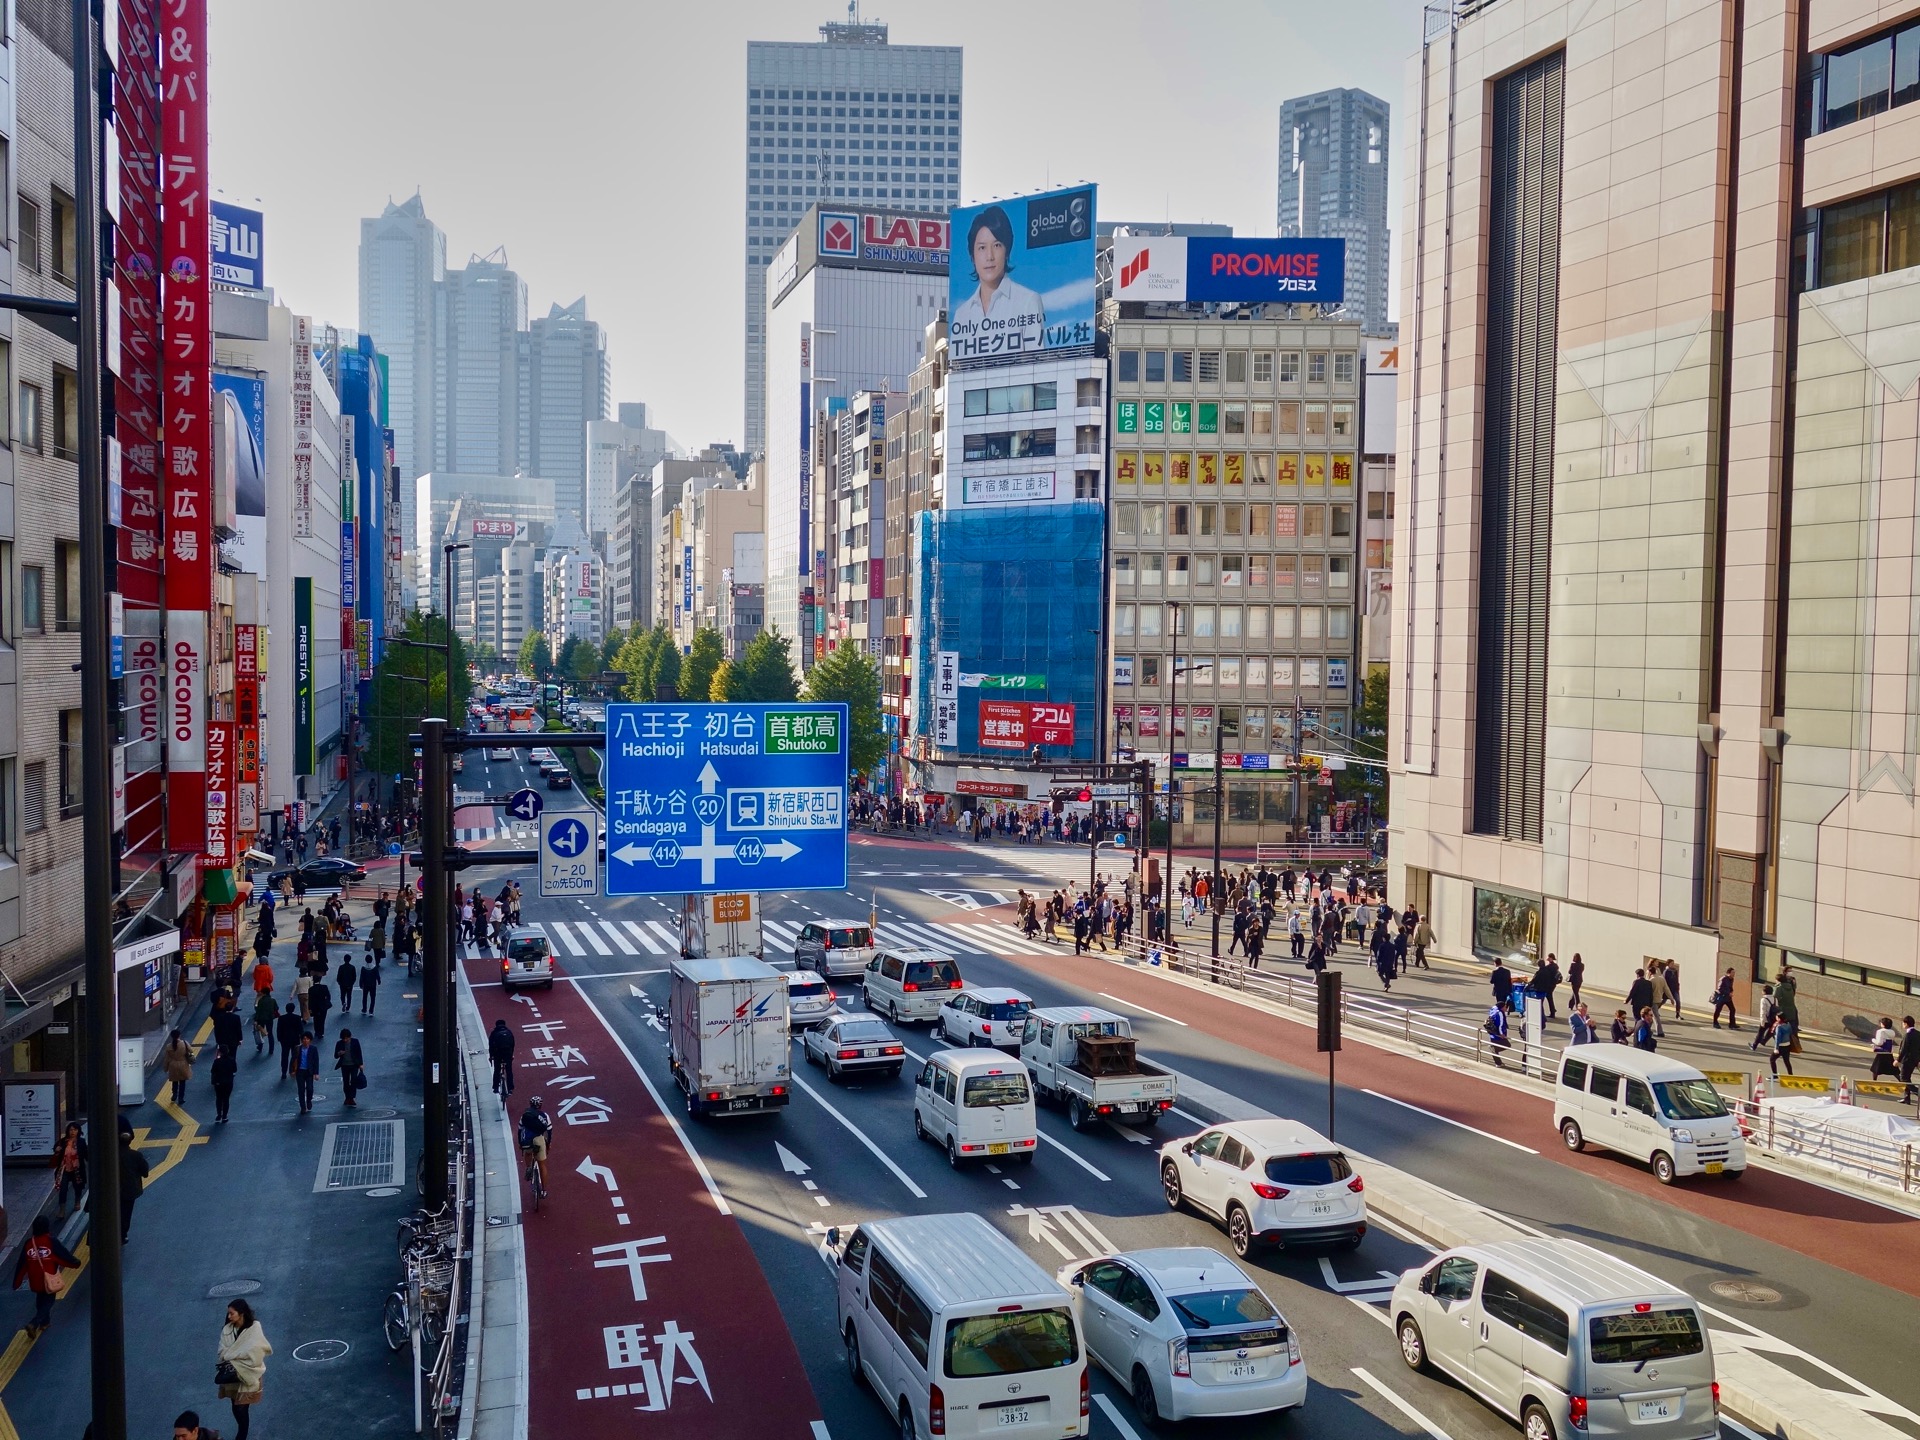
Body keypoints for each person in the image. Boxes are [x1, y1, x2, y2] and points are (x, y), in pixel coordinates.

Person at [12, 1215, 79, 1338]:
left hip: (34, 1279)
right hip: (49, 1279)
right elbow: (63, 1257)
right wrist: (76, 1263)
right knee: (48, 1301)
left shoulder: (29, 1243)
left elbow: (22, 1265)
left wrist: (17, 1283)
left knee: (40, 1299)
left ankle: (45, 1323)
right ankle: (34, 1323)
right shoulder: (51, 1241)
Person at [216, 1296, 271, 1439]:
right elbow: (222, 1352)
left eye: (231, 1313)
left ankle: (241, 1435)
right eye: (228, 1313)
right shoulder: (227, 1330)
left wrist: (233, 1356)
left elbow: (256, 1353)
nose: (229, 1316)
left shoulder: (254, 1328)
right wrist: (239, 1355)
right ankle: (242, 1432)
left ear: (241, 1313)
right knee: (235, 1405)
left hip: (249, 1374)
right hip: (232, 1376)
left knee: (241, 1408)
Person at [118, 1118, 149, 1243]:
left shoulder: (108, 1154)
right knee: (126, 1213)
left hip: (111, 1190)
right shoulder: (136, 1155)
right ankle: (122, 1234)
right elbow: (145, 1172)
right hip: (129, 1190)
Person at [519, 1095, 554, 1192]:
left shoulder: (525, 1115)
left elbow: (519, 1130)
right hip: (539, 1139)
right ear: (540, 1105)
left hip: (527, 1140)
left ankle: (528, 1168)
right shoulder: (545, 1116)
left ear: (530, 1104)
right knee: (542, 1165)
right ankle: (544, 1190)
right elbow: (549, 1131)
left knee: (527, 1153)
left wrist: (520, 1143)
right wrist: (548, 1144)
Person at [51, 1122, 86, 1219]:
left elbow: (86, 1154)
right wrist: (57, 1150)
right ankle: (62, 1210)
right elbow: (55, 1150)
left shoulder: (81, 1142)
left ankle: (77, 1201)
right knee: (63, 1189)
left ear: (78, 1131)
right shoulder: (63, 1141)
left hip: (77, 1169)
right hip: (64, 1169)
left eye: (75, 1130)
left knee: (78, 1187)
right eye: (71, 1130)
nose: (73, 1132)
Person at [334, 1028, 365, 1109]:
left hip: (354, 1065)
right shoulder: (339, 1043)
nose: (345, 1040)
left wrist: (361, 1064)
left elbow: (359, 1053)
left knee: (354, 1081)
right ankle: (347, 1097)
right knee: (346, 1082)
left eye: (347, 1038)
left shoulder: (355, 1042)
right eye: (343, 1039)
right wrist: (339, 1053)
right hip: (344, 1065)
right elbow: (335, 1055)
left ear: (350, 1037)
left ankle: (352, 1097)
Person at [291, 1032, 320, 1113]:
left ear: (310, 1040)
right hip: (300, 1071)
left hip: (309, 1072)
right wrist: (292, 1071)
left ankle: (309, 1100)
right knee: (301, 1090)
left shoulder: (313, 1049)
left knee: (310, 1089)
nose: (305, 1040)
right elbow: (293, 1060)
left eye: (307, 1039)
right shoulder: (297, 1049)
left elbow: (316, 1061)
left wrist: (316, 1073)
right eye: (304, 1039)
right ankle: (303, 1107)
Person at [162, 1030, 193, 1106]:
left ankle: (174, 1094)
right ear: (179, 1035)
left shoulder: (169, 1046)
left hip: (173, 1065)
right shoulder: (184, 1043)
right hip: (183, 1064)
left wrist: (165, 1068)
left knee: (175, 1081)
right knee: (182, 1082)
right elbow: (191, 1050)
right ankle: (181, 1098)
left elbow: (166, 1058)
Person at [275, 1002, 305, 1078]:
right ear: (293, 1009)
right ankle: (293, 1070)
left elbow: (279, 1029)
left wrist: (279, 1038)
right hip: (295, 1039)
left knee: (284, 1056)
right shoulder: (297, 1018)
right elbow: (300, 1029)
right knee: (295, 1056)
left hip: (284, 1040)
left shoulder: (281, 1018)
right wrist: (302, 1038)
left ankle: (284, 1072)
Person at [489, 1018, 516, 1103]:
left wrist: (491, 1056)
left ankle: (495, 1088)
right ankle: (510, 1088)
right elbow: (512, 1044)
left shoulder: (494, 1033)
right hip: (508, 1054)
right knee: (509, 1071)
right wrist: (511, 1054)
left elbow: (491, 1046)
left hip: (498, 1054)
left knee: (497, 1070)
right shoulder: (509, 1032)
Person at [211, 1046, 237, 1123]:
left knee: (219, 1098)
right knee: (226, 1099)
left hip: (218, 1082)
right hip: (228, 1082)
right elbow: (235, 1070)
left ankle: (219, 1115)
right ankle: (224, 1116)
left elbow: (213, 1071)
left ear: (220, 1052)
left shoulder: (217, 1061)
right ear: (228, 1051)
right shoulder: (231, 1060)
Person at [1750, 983, 1779, 1053]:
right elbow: (1777, 1008)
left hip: (1766, 1019)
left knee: (1760, 1033)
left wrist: (1762, 1021)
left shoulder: (1764, 999)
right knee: (1771, 1032)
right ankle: (1764, 1041)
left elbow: (1763, 1011)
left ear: (1765, 992)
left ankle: (1754, 1046)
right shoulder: (1775, 999)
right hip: (1774, 1019)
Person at [1898, 1016, 1920, 1105]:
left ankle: (1917, 1092)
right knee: (1907, 1078)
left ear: (1906, 1024)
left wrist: (1898, 1060)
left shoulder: (1908, 1035)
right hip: (1914, 1060)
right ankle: (1906, 1098)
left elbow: (1904, 1049)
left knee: (1903, 1079)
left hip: (1906, 1060)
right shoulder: (1918, 1034)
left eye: (1903, 1023)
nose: (1903, 1025)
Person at [251, 988, 278, 1057]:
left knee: (260, 1033)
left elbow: (258, 1011)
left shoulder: (261, 1001)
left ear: (264, 993)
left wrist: (256, 1020)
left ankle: (260, 1046)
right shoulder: (273, 1000)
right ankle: (271, 1049)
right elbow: (276, 1008)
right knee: (270, 1033)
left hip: (261, 1019)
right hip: (269, 1018)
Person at [308, 968, 333, 1040]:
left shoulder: (311, 989)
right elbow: (328, 996)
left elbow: (310, 1000)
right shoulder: (324, 987)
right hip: (323, 1006)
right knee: (322, 1020)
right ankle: (321, 1032)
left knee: (316, 1019)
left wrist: (310, 1008)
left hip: (315, 1007)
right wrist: (326, 1002)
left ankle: (316, 1031)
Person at [1485, 1002, 1511, 1067]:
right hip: (1498, 1034)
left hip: (1492, 1032)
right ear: (1502, 1007)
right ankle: (1493, 1049)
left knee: (1495, 1048)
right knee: (1507, 1045)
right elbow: (1500, 1025)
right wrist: (1501, 1033)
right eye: (1505, 1006)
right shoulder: (1500, 1013)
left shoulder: (1493, 1009)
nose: (1506, 1008)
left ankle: (1498, 1063)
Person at [1770, 1012, 1796, 1077]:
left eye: (1777, 1017)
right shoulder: (1788, 1024)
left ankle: (1775, 1075)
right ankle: (1790, 1075)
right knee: (1787, 1061)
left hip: (1781, 1046)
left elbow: (1778, 1039)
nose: (1776, 1018)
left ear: (1779, 1018)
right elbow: (1790, 1033)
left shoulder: (1779, 1027)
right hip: (1787, 1045)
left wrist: (1776, 1048)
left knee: (1772, 1059)